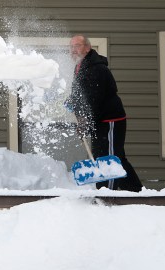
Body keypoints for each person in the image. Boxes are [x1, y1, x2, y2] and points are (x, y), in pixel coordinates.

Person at [64, 34, 143, 192]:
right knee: (104, 156)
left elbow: (94, 101)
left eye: (77, 46)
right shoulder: (81, 66)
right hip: (99, 120)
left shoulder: (96, 69)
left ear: (87, 48)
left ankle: (108, 194)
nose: (73, 50)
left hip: (110, 121)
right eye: (71, 47)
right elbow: (81, 94)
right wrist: (72, 103)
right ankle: (135, 191)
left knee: (110, 159)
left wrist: (86, 123)